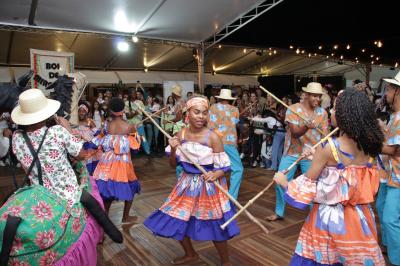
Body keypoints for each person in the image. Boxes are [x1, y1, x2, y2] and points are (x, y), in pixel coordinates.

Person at [273, 88, 385, 265]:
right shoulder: (372, 146)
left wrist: (284, 182)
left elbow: (308, 185)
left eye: (334, 108)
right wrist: (315, 156)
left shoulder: (330, 148)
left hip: (329, 221)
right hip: (359, 218)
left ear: (344, 115)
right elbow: (349, 176)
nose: (331, 112)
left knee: (324, 258)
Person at [8, 89, 103, 265]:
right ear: (46, 113)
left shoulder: (17, 137)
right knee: (95, 202)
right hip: (66, 195)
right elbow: (81, 155)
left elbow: (25, 166)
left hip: (38, 194)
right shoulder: (57, 132)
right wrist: (67, 128)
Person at [144, 96, 239, 265]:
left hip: (208, 186)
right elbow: (173, 165)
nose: (201, 116)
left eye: (204, 113)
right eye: (197, 112)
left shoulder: (213, 138)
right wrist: (173, 149)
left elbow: (225, 168)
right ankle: (190, 254)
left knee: (215, 225)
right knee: (178, 219)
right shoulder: (180, 134)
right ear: (188, 113)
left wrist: (215, 174)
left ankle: (226, 262)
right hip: (186, 184)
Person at [267, 82, 329, 221]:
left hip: (312, 154)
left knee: (312, 186)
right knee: (279, 180)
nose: (317, 99)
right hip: (292, 152)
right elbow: (295, 133)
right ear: (306, 95)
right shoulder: (293, 109)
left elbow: (325, 134)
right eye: (314, 96)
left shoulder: (322, 113)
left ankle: (314, 217)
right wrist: (307, 126)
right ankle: (279, 212)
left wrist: (324, 139)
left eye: (319, 96)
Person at [93, 97, 141, 223]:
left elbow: (100, 139)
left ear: (111, 110)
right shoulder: (129, 127)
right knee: (130, 186)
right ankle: (125, 216)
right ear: (123, 109)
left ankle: (105, 219)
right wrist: (135, 130)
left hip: (106, 160)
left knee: (107, 190)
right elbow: (135, 147)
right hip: (122, 162)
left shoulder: (107, 125)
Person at [377, 71, 400, 266]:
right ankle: (388, 246)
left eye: (389, 89)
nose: (386, 93)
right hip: (390, 174)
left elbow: (392, 149)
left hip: (398, 177)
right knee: (383, 211)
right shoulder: (394, 116)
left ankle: (396, 259)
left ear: (398, 91)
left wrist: (367, 140)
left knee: (390, 219)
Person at [209, 89, 244, 200]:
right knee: (238, 169)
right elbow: (235, 126)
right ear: (229, 99)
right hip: (229, 143)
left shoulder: (213, 107)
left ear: (219, 97)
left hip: (215, 141)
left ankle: (212, 196)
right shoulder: (235, 110)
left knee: (215, 168)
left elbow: (209, 126)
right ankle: (231, 197)